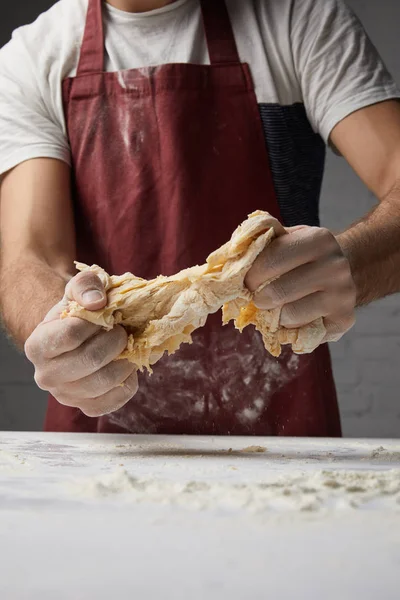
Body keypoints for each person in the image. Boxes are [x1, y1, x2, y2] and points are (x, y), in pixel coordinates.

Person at [0, 0, 399, 436]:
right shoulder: (34, 56)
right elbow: (30, 257)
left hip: (284, 430)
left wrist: (353, 262)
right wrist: (60, 335)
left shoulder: (296, 18)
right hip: (100, 435)